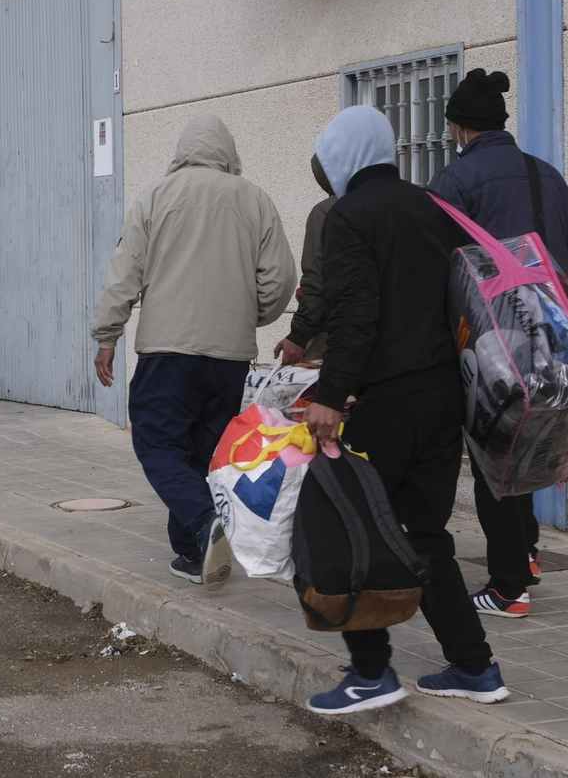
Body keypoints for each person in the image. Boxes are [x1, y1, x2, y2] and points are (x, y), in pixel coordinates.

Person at [301, 105, 508, 715]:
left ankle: (370, 673)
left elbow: (355, 314)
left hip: (385, 398)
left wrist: (330, 397)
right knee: (423, 534)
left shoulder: (348, 217)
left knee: (344, 524)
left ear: (341, 157)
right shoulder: (431, 207)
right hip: (444, 399)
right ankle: (475, 666)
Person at [91, 113, 296, 591]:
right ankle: (189, 553)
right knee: (204, 451)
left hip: (168, 349)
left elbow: (124, 274)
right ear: (229, 154)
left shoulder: (155, 199)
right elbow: (281, 278)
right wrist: (251, 316)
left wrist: (107, 335)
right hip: (228, 356)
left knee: (158, 443)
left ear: (182, 152)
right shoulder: (255, 200)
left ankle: (206, 523)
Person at [428, 68, 568, 620]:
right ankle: (527, 554)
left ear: (459, 127)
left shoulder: (455, 182)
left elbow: (438, 266)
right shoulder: (548, 176)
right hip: (559, 333)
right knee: (534, 443)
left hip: (495, 338)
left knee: (495, 453)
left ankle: (507, 588)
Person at [272, 177, 338, 365]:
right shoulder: (401, 205)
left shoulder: (326, 211)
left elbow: (316, 280)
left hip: (334, 335)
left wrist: (299, 335)